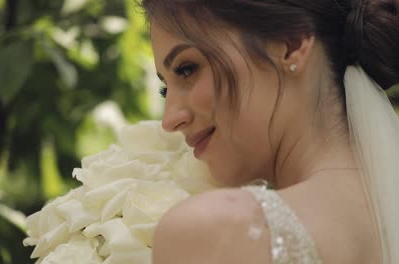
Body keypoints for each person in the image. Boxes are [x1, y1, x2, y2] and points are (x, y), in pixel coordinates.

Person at [140, 0, 399, 263]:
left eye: (187, 69)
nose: (169, 120)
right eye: (165, 90)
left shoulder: (217, 231)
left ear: (291, 44)